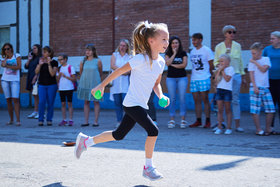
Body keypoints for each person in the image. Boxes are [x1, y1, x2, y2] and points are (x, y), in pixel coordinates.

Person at [74, 21, 169, 181]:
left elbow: (156, 83)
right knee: (153, 131)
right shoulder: (140, 59)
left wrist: (161, 96)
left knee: (118, 135)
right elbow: (117, 72)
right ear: (151, 41)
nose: (167, 43)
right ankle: (148, 167)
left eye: (167, 39)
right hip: (132, 104)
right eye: (164, 39)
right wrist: (101, 85)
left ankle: (85, 142)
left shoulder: (160, 62)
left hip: (141, 105)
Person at [214, 25, 245, 132]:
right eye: (230, 32)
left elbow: (240, 61)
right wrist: (220, 69)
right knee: (221, 103)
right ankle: (221, 124)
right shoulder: (219, 47)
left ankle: (237, 125)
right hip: (222, 76)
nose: (232, 34)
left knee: (235, 100)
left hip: (235, 74)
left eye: (234, 32)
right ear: (225, 34)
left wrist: (243, 75)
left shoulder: (237, 46)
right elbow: (215, 61)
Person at [248, 42, 275, 136]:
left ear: (260, 52)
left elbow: (263, 69)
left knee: (271, 109)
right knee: (255, 110)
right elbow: (251, 75)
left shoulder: (266, 59)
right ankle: (258, 129)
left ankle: (268, 129)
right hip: (255, 87)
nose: (252, 55)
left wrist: (255, 62)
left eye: (254, 53)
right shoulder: (251, 63)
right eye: (252, 53)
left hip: (265, 87)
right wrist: (254, 87)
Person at [189, 33, 214, 128]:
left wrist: (212, 76)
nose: (193, 42)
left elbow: (211, 64)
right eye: (192, 40)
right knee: (196, 101)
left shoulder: (207, 50)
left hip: (204, 77)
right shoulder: (192, 52)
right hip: (194, 78)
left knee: (205, 100)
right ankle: (198, 120)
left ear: (200, 40)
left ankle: (208, 121)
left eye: (195, 40)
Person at [165, 36, 188, 128]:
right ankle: (172, 119)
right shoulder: (168, 53)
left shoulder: (183, 53)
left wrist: (172, 65)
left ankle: (183, 119)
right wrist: (174, 54)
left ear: (179, 44)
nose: (175, 44)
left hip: (182, 78)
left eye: (176, 43)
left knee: (182, 98)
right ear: (170, 44)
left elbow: (184, 65)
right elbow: (167, 63)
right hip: (171, 78)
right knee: (172, 99)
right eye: (173, 43)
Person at [77, 44, 103, 127]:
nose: (87, 52)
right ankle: (86, 121)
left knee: (96, 102)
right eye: (86, 50)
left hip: (95, 84)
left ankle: (96, 121)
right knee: (86, 102)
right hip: (85, 84)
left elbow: (100, 72)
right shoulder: (83, 61)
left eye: (89, 50)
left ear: (93, 51)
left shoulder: (98, 60)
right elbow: (81, 72)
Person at [110, 39, 131, 127]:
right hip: (116, 84)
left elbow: (130, 69)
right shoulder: (114, 55)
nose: (122, 47)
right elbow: (112, 66)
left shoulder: (130, 56)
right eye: (121, 45)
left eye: (124, 46)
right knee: (117, 104)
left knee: (126, 105)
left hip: (126, 84)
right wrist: (123, 71)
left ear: (127, 47)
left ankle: (126, 122)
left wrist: (124, 71)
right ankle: (119, 121)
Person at [35, 46, 58, 126]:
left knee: (50, 103)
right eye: (43, 52)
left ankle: (49, 119)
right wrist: (40, 65)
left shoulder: (54, 62)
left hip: (52, 85)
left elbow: (52, 74)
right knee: (41, 102)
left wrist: (48, 63)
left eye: (45, 52)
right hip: (42, 85)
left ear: (49, 53)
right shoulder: (40, 61)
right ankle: (40, 119)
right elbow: (36, 72)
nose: (43, 53)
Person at [1, 43, 22, 126]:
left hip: (15, 80)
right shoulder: (3, 57)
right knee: (8, 100)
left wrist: (8, 65)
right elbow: (2, 65)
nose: (7, 50)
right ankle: (11, 119)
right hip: (5, 80)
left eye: (8, 48)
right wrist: (6, 61)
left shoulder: (17, 56)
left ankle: (18, 120)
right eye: (5, 49)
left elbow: (19, 67)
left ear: (11, 49)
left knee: (15, 99)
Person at [263, 31, 280, 131]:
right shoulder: (267, 50)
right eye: (271, 38)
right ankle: (270, 127)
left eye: (273, 38)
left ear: (279, 39)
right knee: (271, 104)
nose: (271, 40)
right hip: (269, 80)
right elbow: (262, 61)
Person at [214, 54, 235, 135]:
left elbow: (227, 79)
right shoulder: (219, 69)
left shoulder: (230, 69)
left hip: (227, 91)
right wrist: (218, 71)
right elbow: (215, 81)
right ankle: (219, 127)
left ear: (228, 62)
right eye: (220, 61)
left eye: (222, 61)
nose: (221, 63)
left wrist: (222, 70)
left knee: (228, 110)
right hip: (219, 90)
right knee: (219, 110)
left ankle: (229, 128)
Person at [57, 54, 76, 126]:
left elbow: (74, 79)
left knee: (69, 104)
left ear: (65, 59)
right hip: (61, 88)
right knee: (63, 104)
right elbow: (57, 79)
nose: (60, 61)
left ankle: (71, 120)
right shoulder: (59, 68)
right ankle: (64, 119)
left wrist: (65, 76)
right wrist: (59, 76)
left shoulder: (70, 67)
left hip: (69, 88)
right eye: (58, 60)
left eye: (61, 59)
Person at [25, 44, 42, 119]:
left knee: (38, 95)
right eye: (32, 48)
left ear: (38, 49)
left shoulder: (40, 58)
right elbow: (26, 67)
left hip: (36, 78)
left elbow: (40, 69)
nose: (33, 50)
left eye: (35, 48)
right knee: (34, 95)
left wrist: (35, 77)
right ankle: (35, 111)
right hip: (30, 76)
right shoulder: (32, 58)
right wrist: (29, 59)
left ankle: (40, 112)